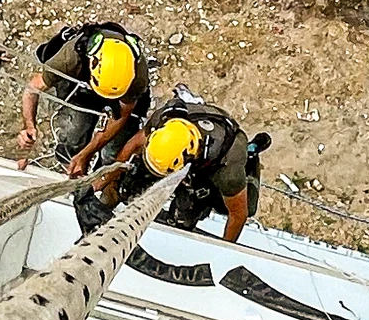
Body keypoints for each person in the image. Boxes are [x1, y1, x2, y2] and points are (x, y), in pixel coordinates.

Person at [85, 92, 266, 242]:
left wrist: (223, 250)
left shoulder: (227, 170)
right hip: (193, 138)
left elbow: (238, 214)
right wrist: (103, 181)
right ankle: (116, 195)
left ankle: (251, 152)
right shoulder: (166, 122)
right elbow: (132, 147)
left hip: (211, 163)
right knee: (130, 183)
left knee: (186, 214)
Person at [17, 20, 150, 172]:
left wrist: (87, 154)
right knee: (74, 129)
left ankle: (105, 171)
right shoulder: (70, 58)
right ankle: (70, 161)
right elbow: (33, 88)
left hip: (120, 93)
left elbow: (121, 115)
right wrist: (29, 125)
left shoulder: (137, 77)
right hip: (82, 87)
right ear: (93, 63)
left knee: (114, 149)